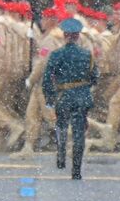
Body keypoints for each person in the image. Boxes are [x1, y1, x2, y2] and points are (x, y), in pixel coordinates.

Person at [41, 17, 98, 180]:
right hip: (81, 96)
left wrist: (49, 98)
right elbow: (95, 76)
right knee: (79, 133)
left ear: (65, 35)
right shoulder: (87, 55)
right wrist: (85, 87)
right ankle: (76, 170)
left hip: (63, 96)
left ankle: (61, 155)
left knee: (61, 126)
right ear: (78, 36)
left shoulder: (56, 55)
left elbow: (47, 79)